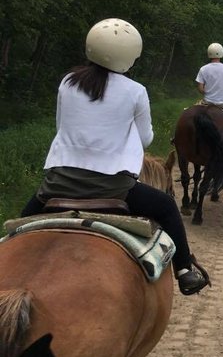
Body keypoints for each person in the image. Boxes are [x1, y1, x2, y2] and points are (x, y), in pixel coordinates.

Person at [21, 18, 210, 295]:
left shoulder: (67, 82)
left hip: (56, 185)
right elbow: (146, 138)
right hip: (113, 188)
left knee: (19, 226)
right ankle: (184, 271)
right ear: (130, 55)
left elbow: (62, 127)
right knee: (168, 208)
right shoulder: (135, 91)